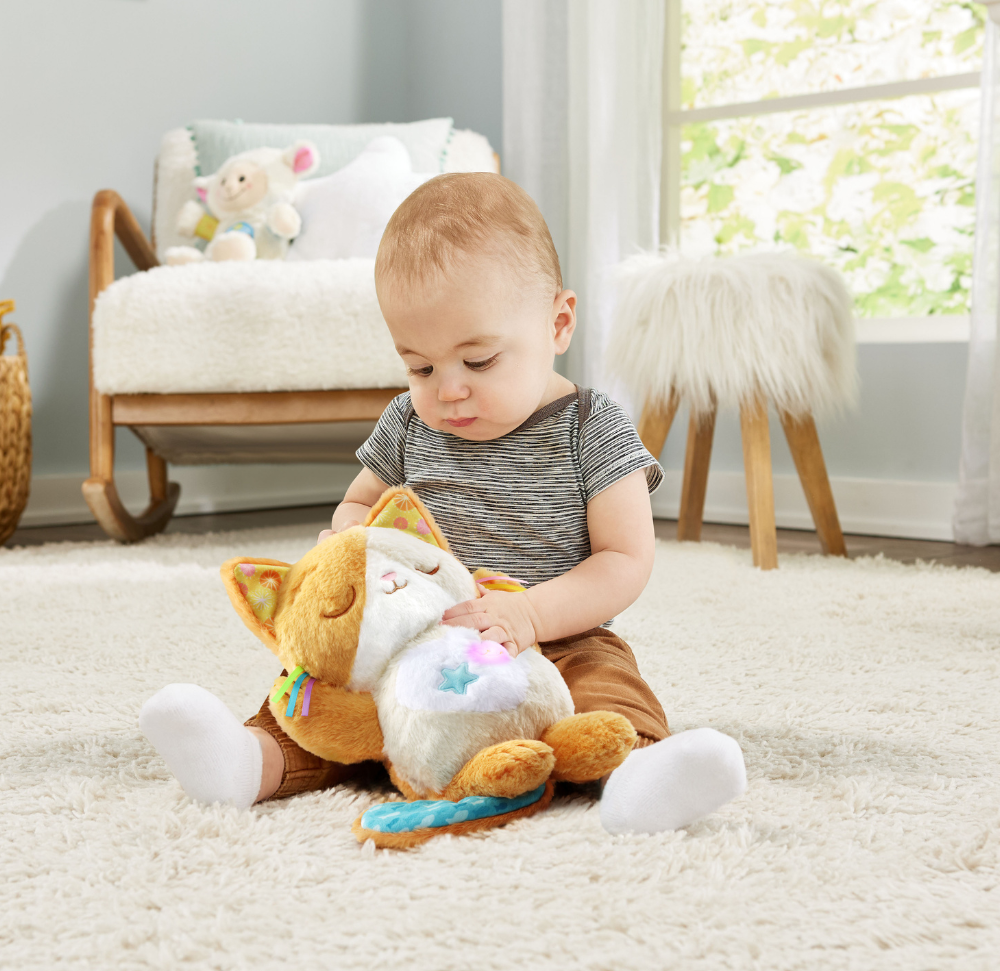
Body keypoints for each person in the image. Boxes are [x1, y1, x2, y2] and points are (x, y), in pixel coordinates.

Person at [141, 173, 746, 834]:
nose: (448, 390)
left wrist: (531, 614)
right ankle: (251, 761)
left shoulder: (591, 426)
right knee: (323, 697)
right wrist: (352, 546)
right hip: (410, 644)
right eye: (421, 367)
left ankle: (640, 777)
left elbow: (625, 558)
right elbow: (357, 506)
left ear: (558, 323)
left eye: (478, 361)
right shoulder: (408, 422)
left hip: (556, 639)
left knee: (607, 687)